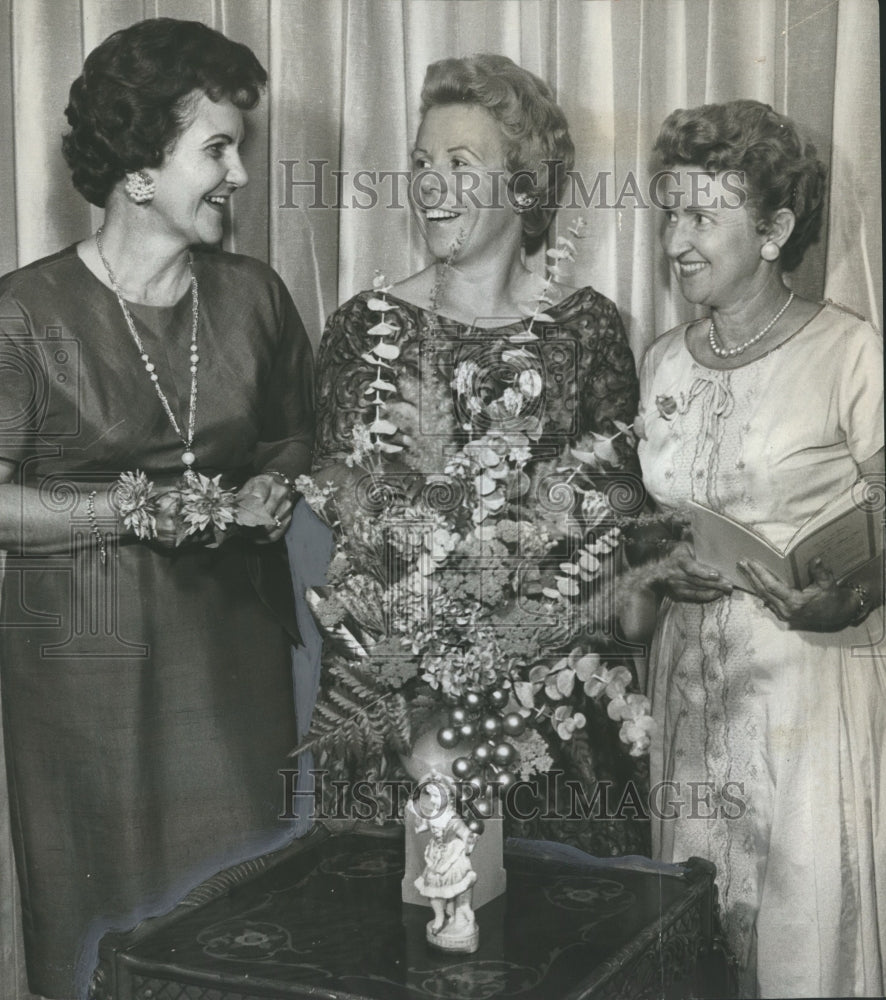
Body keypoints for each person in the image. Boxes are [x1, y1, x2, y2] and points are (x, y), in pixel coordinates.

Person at [0, 19, 313, 998]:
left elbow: (294, 442)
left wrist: (274, 488)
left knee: (243, 923)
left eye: (240, 149)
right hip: (83, 678)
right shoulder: (24, 315)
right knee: (104, 929)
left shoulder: (257, 299)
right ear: (139, 172)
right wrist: (128, 510)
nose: (240, 176)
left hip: (231, 668)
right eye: (215, 149)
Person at [312, 54, 642, 855]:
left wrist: (526, 638)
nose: (430, 183)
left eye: (461, 164)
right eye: (423, 163)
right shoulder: (366, 331)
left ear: (525, 189)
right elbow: (348, 525)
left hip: (550, 706)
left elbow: (622, 519)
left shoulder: (590, 329)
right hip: (399, 711)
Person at [633, 99, 884, 998]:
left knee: (800, 922)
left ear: (775, 229)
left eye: (704, 217)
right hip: (690, 678)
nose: (678, 241)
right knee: (697, 922)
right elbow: (652, 519)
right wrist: (655, 566)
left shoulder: (850, 354)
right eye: (672, 215)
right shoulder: (664, 360)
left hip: (807, 680)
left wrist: (853, 592)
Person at [412, 772, 479, 950]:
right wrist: (419, 823)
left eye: (436, 795)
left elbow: (466, 835)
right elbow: (423, 827)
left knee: (453, 889)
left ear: (447, 797)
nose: (433, 800)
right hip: (435, 856)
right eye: (430, 795)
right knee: (432, 890)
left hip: (452, 856)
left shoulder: (453, 819)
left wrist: (468, 843)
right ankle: (440, 917)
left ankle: (456, 917)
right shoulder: (433, 814)